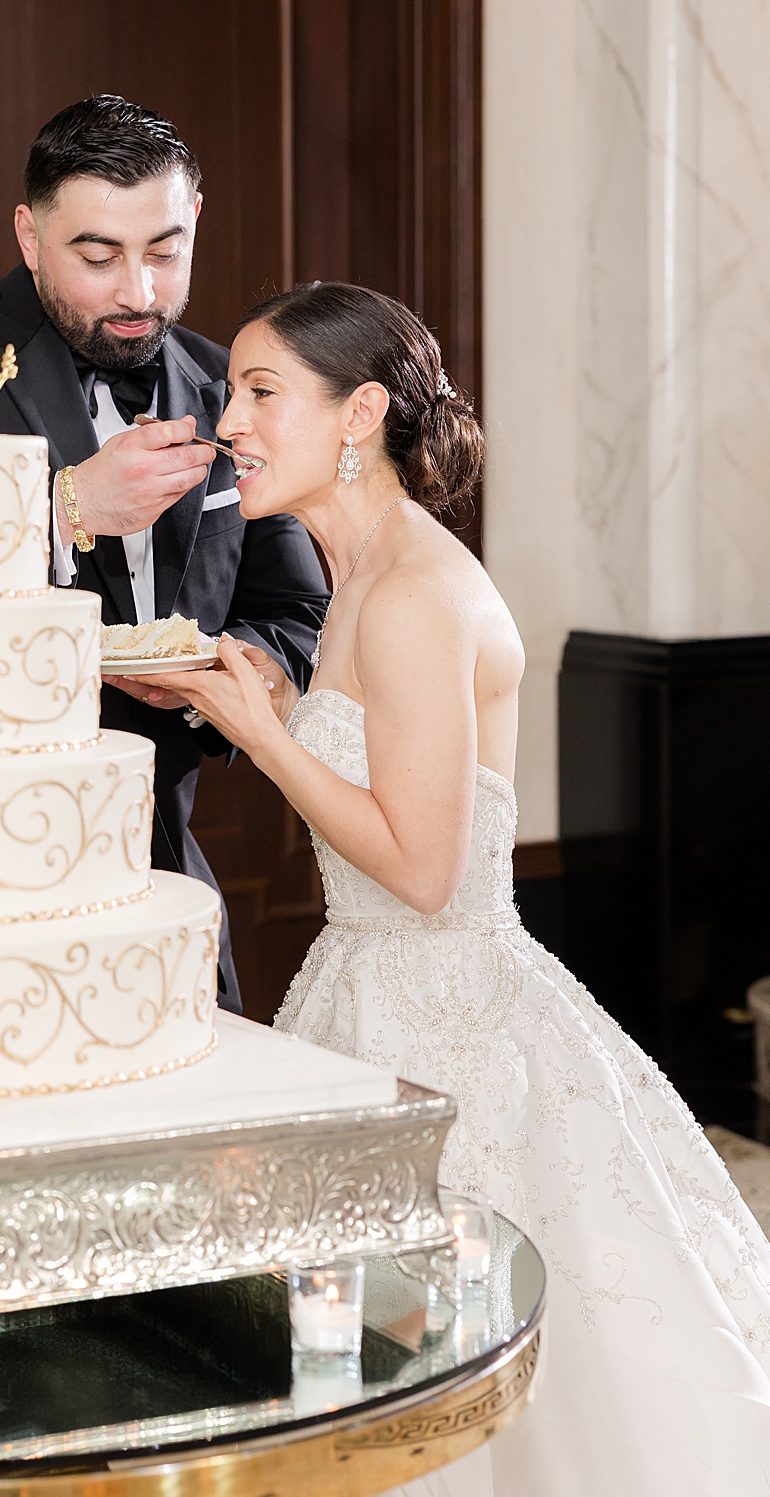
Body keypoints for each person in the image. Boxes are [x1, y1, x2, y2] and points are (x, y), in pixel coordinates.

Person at [154, 282, 770, 1496]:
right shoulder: (364, 576)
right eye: (233, 392)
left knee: (449, 1367)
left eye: (262, 393)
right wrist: (280, 711)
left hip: (445, 1014)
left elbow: (428, 874)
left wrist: (264, 740)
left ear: (361, 413)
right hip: (372, 990)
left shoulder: (417, 591)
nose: (230, 420)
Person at [0, 96, 328, 1010]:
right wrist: (68, 506)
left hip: (159, 859)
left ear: (195, 220)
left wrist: (228, 676)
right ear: (30, 233)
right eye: (97, 256)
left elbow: (296, 610)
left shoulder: (224, 386)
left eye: (164, 252)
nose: (138, 292)